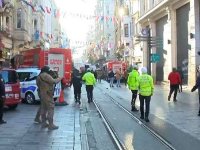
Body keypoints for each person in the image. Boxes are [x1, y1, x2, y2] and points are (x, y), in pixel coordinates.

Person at [36, 66, 62, 130]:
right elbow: (54, 81)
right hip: (48, 94)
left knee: (43, 108)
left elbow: (38, 85)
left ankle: (44, 123)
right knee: (51, 108)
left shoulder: (39, 76)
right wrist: (59, 78)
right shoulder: (46, 75)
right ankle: (51, 124)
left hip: (42, 94)